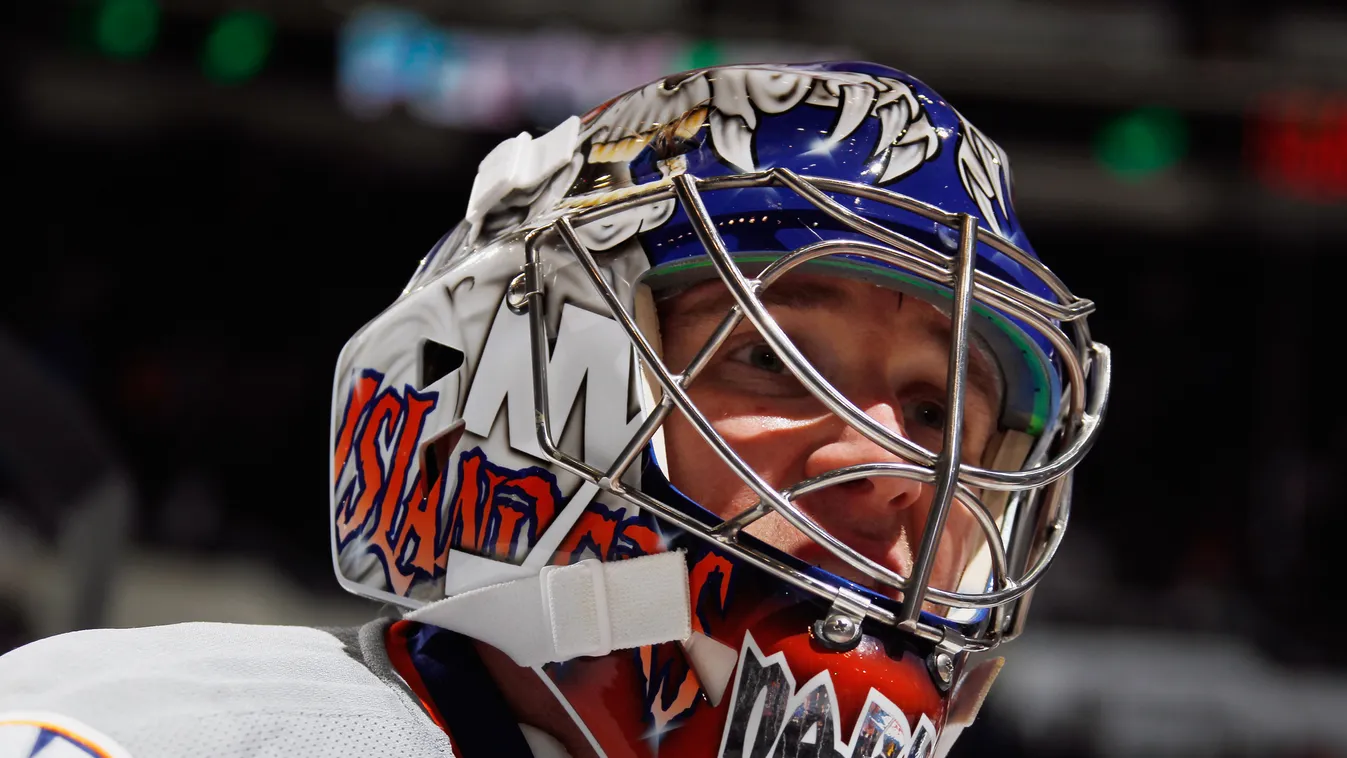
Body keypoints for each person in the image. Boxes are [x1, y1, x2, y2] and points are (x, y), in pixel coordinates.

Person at [0, 61, 1110, 758]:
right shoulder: (160, 736)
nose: (893, 465)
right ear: (533, 393)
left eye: (934, 408)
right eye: (780, 359)